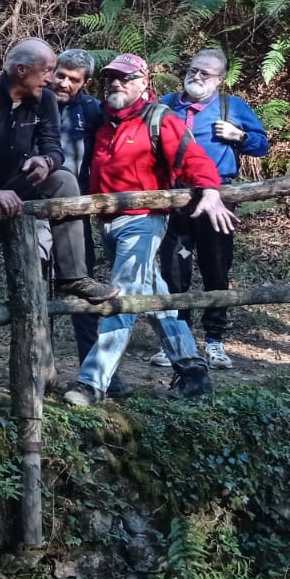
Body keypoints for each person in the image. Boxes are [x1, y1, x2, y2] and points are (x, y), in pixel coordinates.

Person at [0, 39, 117, 397]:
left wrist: (45, 162)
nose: (51, 79)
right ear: (21, 70)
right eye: (47, 71)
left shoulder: (45, 100)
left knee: (64, 180)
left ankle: (73, 276)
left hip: (18, 189)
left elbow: (54, 146)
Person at [61, 53, 231, 406]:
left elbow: (193, 158)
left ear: (143, 83)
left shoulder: (159, 119)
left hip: (144, 222)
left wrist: (211, 190)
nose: (116, 84)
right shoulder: (103, 121)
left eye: (125, 78)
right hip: (108, 223)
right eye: (111, 78)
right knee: (156, 300)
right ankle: (193, 372)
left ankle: (92, 383)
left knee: (122, 298)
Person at [152, 48, 269, 370]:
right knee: (173, 270)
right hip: (174, 197)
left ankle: (215, 342)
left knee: (216, 268)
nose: (197, 76)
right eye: (193, 69)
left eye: (206, 73)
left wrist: (240, 135)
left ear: (220, 79)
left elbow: (262, 145)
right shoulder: (166, 105)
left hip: (219, 197)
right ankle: (178, 340)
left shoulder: (233, 107)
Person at [48, 48, 106, 365]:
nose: (64, 84)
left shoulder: (93, 110)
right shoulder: (33, 101)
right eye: (61, 75)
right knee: (38, 286)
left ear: (85, 82)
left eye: (73, 79)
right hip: (36, 206)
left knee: (83, 282)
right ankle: (41, 365)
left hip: (77, 208)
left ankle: (91, 365)